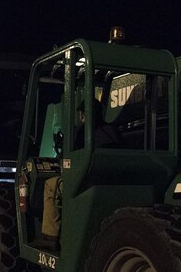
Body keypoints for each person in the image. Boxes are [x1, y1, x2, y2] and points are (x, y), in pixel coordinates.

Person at [35, 100, 119, 250]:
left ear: (83, 114)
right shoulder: (113, 130)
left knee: (50, 185)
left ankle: (49, 237)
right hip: (111, 180)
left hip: (88, 181)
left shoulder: (84, 133)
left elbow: (74, 160)